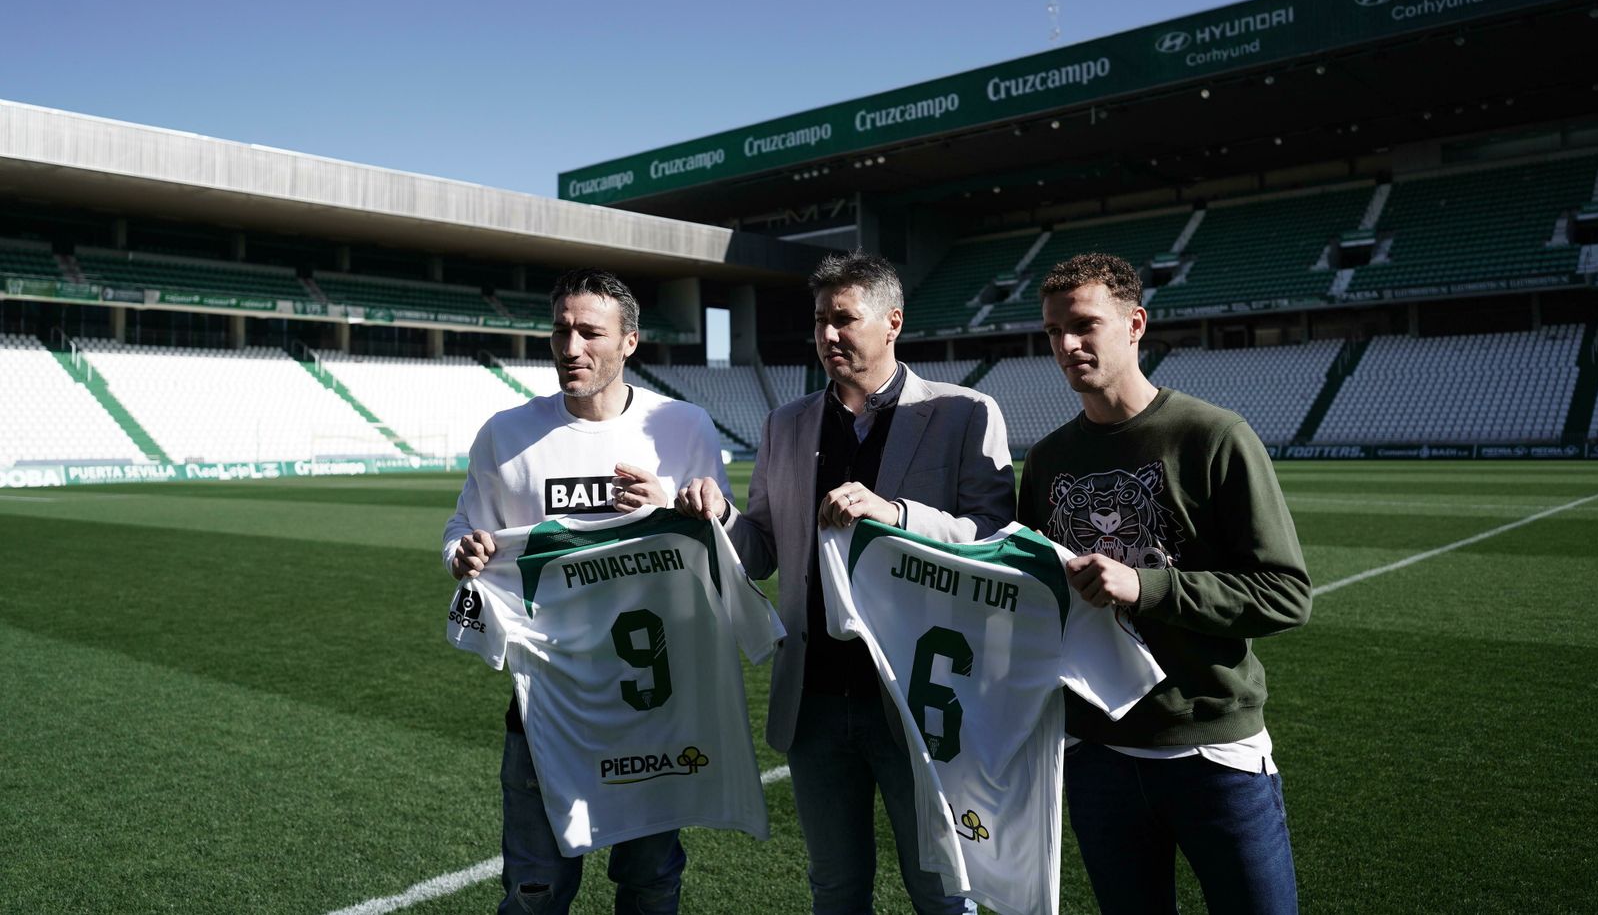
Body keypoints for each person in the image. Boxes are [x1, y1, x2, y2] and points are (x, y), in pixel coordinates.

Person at [676, 250, 1014, 915]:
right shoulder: (786, 423)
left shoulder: (964, 414)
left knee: (943, 890)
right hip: (816, 700)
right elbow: (763, 552)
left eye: (844, 320)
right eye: (819, 322)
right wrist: (721, 517)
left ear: (892, 322)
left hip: (923, 699)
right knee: (835, 889)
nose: (828, 335)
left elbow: (1000, 545)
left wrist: (898, 516)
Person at [1016, 252, 1312, 915]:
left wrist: (1147, 587)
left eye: (1085, 325)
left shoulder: (1213, 437)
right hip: (1095, 754)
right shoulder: (1048, 460)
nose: (1067, 345)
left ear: (1135, 324)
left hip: (1211, 748)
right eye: (1053, 331)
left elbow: (1286, 594)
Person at [443, 268, 731, 915]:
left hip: (651, 706)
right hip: (543, 703)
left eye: (590, 333)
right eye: (561, 330)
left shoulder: (684, 427)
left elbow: (724, 549)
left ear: (630, 341)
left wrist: (671, 511)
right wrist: (463, 552)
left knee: (651, 882)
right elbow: (463, 527)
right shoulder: (506, 433)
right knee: (534, 892)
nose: (571, 348)